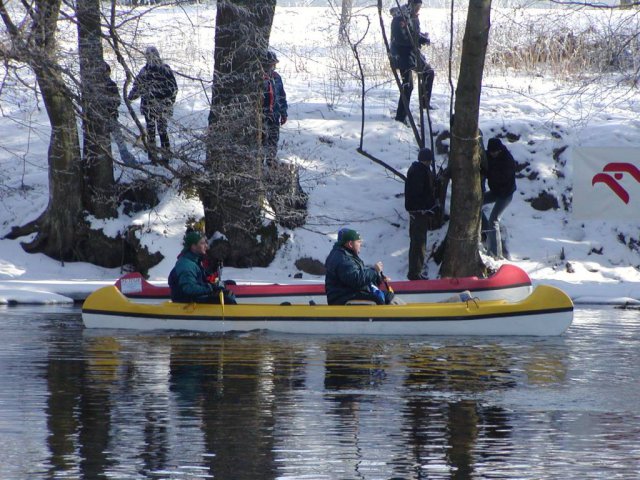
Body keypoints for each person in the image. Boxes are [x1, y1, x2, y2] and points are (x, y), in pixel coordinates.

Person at [128, 46, 178, 162]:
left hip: (154, 107)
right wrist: (169, 103)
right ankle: (161, 157)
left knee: (155, 132)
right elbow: (174, 89)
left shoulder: (148, 71)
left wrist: (130, 98)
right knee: (159, 131)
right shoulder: (160, 70)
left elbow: (137, 88)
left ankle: (156, 157)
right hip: (156, 108)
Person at [390, 0, 435, 124]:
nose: (418, 9)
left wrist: (423, 38)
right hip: (402, 55)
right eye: (416, 6)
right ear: (410, 5)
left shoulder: (413, 17)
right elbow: (400, 39)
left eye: (420, 6)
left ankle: (424, 105)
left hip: (413, 53)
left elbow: (414, 33)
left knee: (429, 73)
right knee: (408, 86)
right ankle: (400, 117)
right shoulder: (399, 18)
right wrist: (417, 40)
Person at [324, 228, 394, 305]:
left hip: (347, 295)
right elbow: (356, 280)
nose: (361, 244)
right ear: (350, 244)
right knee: (380, 299)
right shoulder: (342, 259)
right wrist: (374, 271)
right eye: (358, 242)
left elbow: (358, 275)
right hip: (343, 298)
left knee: (388, 296)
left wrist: (378, 277)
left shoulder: (346, 255)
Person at [168, 231, 237, 304]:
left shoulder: (195, 261)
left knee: (227, 294)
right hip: (187, 302)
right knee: (227, 300)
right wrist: (211, 288)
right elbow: (189, 289)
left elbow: (202, 281)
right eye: (202, 243)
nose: (206, 246)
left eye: (205, 243)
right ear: (193, 246)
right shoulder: (186, 264)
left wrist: (218, 284)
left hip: (194, 298)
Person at [405, 148, 438, 280]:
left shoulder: (416, 169)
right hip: (419, 212)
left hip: (416, 211)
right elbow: (419, 194)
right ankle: (414, 274)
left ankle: (415, 271)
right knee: (419, 243)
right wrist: (428, 207)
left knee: (416, 242)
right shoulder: (420, 172)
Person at [481, 138, 517, 258]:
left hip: (506, 194)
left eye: (495, 152)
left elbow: (499, 178)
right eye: (491, 152)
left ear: (500, 150)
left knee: (494, 220)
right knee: (476, 204)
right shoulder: (488, 155)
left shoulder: (507, 160)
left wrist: (487, 171)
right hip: (495, 191)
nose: (493, 154)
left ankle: (496, 254)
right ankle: (487, 232)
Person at [101, 62, 136, 166]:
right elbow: (117, 100)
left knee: (110, 140)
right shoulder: (110, 84)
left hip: (106, 117)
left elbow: (116, 100)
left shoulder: (97, 85)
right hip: (111, 117)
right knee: (119, 141)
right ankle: (129, 161)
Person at [262, 50, 288, 166]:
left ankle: (271, 161)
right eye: (270, 64)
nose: (272, 67)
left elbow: (281, 96)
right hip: (262, 116)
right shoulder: (259, 78)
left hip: (275, 115)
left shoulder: (277, 77)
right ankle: (259, 163)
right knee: (261, 140)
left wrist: (283, 113)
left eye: (273, 64)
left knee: (273, 140)